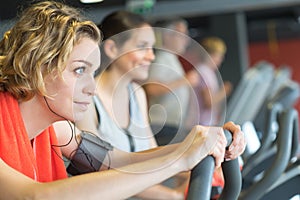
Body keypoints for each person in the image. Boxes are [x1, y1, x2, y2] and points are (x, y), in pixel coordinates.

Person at [0, 1, 245, 199]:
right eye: (79, 71)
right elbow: (32, 196)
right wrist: (179, 160)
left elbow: (116, 159)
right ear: (39, 66)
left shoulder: (54, 128)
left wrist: (203, 143)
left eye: (92, 72)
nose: (92, 89)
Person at [75, 10, 187, 199]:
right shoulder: (87, 101)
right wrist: (173, 195)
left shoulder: (137, 94)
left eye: (152, 48)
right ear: (111, 49)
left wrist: (190, 166)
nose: (151, 56)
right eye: (142, 47)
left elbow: (152, 154)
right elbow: (98, 170)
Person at [143, 17, 200, 146]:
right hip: (162, 126)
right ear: (168, 36)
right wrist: (184, 81)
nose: (186, 40)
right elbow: (152, 88)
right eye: (182, 35)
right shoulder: (161, 59)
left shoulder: (172, 59)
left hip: (171, 125)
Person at [195, 36, 233, 126]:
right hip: (203, 124)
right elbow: (208, 102)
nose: (221, 59)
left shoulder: (209, 72)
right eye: (218, 55)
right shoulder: (203, 71)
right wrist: (224, 91)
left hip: (208, 123)